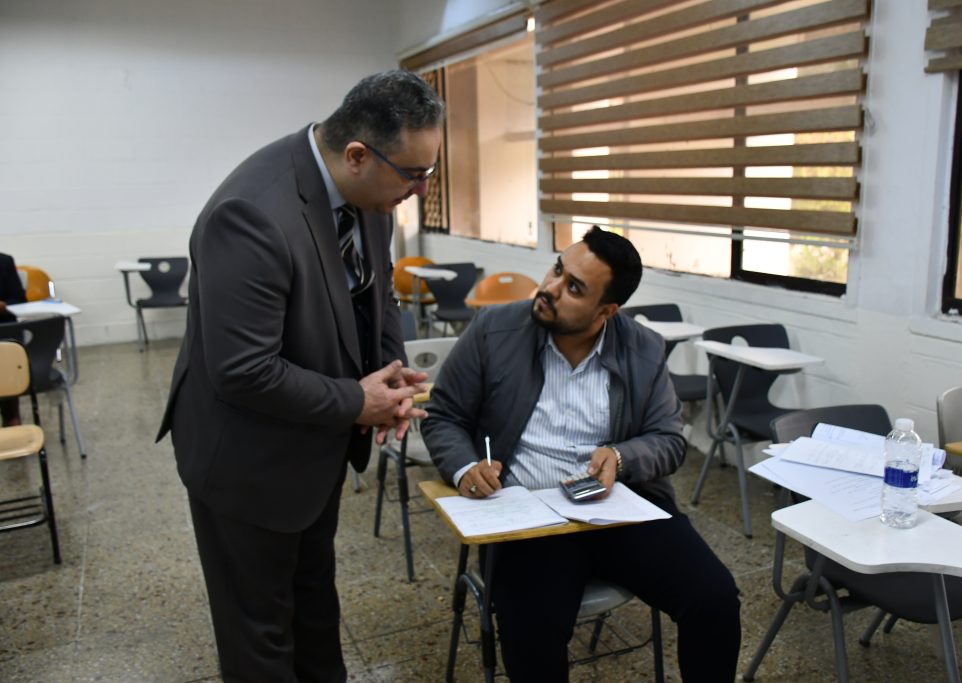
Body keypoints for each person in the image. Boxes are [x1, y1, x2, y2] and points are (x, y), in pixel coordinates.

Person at [156, 70, 445, 682]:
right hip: (246, 461)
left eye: (429, 172)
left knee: (314, 605)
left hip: (313, 443)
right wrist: (356, 401)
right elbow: (243, 370)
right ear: (357, 154)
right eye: (413, 174)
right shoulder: (251, 214)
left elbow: (377, 296)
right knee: (260, 633)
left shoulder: (371, 196)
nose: (421, 189)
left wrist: (389, 376)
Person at [421, 227, 741, 682]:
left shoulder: (643, 348)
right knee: (531, 632)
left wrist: (622, 457)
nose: (550, 288)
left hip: (616, 510)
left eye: (574, 288)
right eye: (557, 270)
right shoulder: (494, 329)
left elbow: (669, 440)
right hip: (528, 518)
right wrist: (465, 467)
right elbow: (444, 415)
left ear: (606, 311)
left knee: (715, 599)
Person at [0, 252, 27, 426]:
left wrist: (4, 306)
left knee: (7, 355)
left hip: (3, 331)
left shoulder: (4, 262)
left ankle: (11, 418)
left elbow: (20, 300)